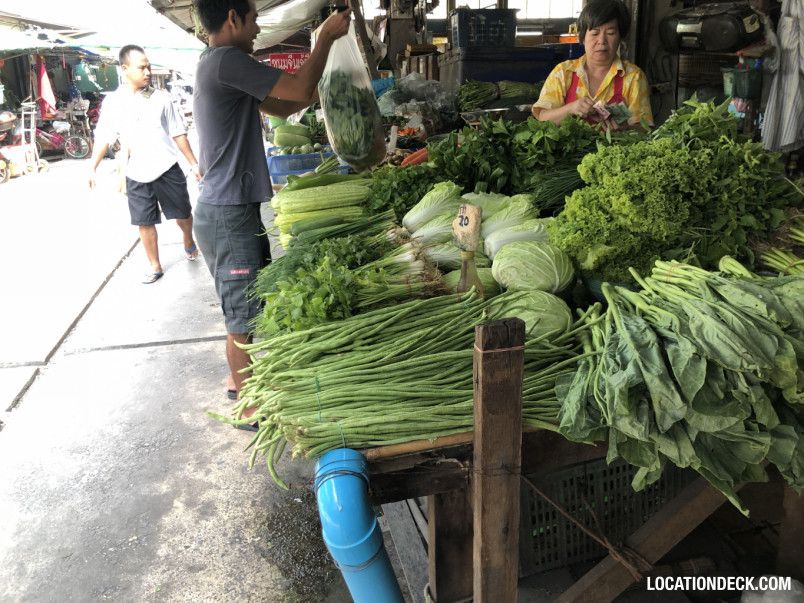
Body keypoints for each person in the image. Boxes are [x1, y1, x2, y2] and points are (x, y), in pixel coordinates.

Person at [191, 0, 352, 429]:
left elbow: (283, 106)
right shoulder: (227, 61)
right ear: (231, 18)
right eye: (253, 17)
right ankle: (246, 404)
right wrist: (324, 40)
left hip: (226, 209)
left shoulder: (217, 63)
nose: (259, 26)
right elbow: (298, 91)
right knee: (241, 316)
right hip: (227, 213)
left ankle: (237, 380)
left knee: (244, 308)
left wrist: (327, 81)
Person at [89, 45, 202, 284]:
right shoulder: (113, 103)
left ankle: (188, 239)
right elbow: (104, 137)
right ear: (125, 69)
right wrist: (92, 167)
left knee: (182, 214)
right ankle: (155, 264)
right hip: (135, 172)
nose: (148, 71)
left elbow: (178, 133)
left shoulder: (161, 98)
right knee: (144, 221)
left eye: (148, 66)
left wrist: (193, 164)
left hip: (167, 166)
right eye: (142, 67)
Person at [531, 0, 653, 130]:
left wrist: (624, 129)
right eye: (595, 33)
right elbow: (542, 118)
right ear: (583, 38)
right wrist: (570, 108)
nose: (602, 41)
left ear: (620, 37)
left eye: (610, 33)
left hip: (614, 149)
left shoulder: (633, 76)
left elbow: (645, 128)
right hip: (570, 150)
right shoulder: (563, 72)